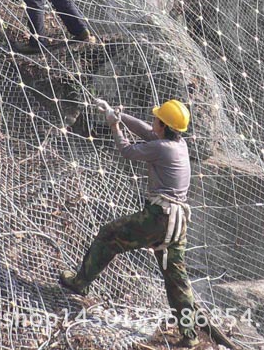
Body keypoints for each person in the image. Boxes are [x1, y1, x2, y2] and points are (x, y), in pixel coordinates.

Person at [59, 99, 199, 348]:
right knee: (176, 278)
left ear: (164, 126)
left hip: (159, 217)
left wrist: (114, 126)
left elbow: (127, 150)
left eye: (157, 118)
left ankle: (80, 282)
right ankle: (190, 334)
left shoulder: (162, 148)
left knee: (108, 235)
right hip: (178, 223)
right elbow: (147, 131)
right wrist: (118, 115)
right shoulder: (179, 144)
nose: (153, 120)